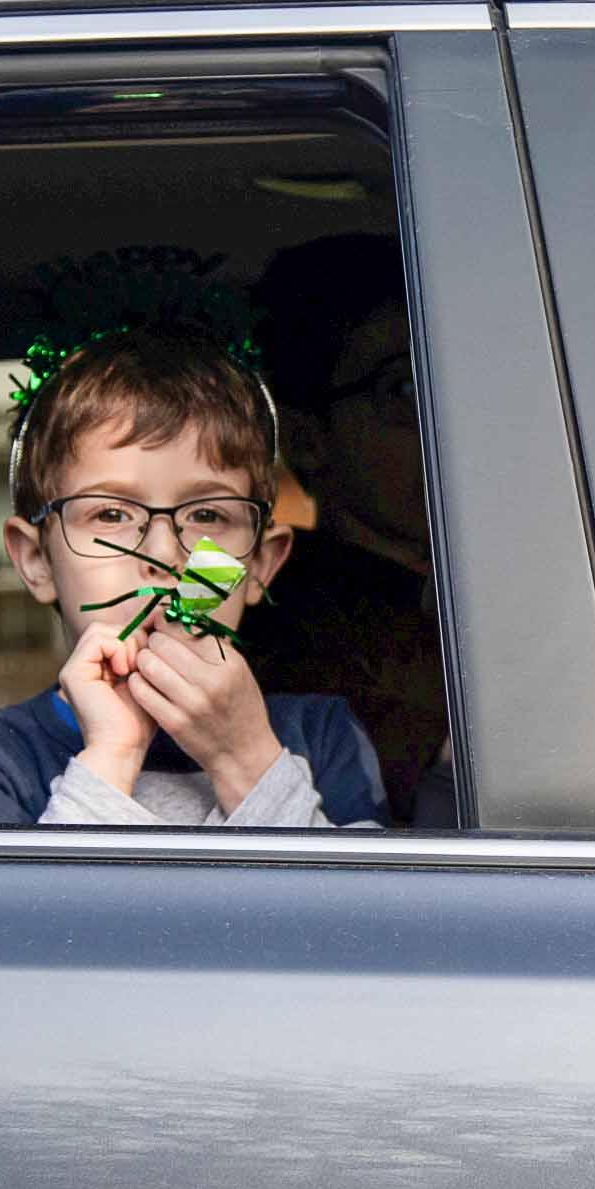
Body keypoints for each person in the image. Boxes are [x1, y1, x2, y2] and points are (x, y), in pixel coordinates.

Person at [0, 254, 384, 828]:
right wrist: (113, 755)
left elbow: (354, 894)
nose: (163, 555)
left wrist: (246, 761)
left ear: (260, 564)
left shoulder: (322, 738)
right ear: (36, 560)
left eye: (207, 514)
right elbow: (22, 896)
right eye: (111, 513)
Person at [239, 233, 450, 823]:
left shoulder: (502, 597)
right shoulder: (282, 637)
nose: (447, 419)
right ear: (307, 439)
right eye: (404, 389)